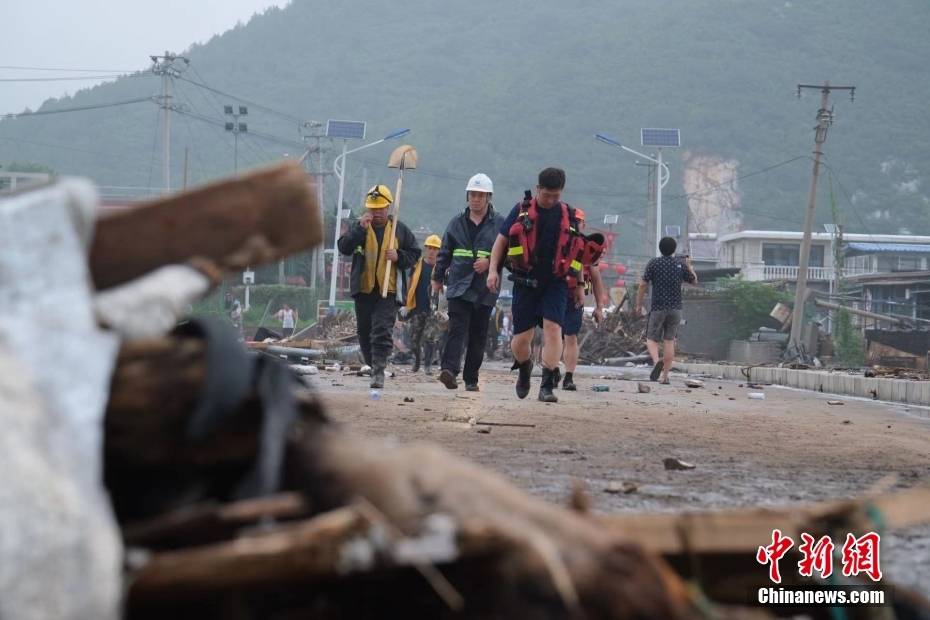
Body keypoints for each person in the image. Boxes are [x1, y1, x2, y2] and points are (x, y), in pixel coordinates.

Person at [487, 167, 586, 403]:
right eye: (547, 195)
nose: (551, 200)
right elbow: (501, 241)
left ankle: (547, 384)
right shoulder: (521, 210)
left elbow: (576, 252)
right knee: (521, 340)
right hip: (526, 280)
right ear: (538, 188)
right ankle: (524, 367)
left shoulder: (568, 215)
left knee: (554, 330)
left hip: (556, 281)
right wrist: (493, 270)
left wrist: (580, 285)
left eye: (556, 195)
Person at [337, 184, 420, 389]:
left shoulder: (399, 230)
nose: (376, 213)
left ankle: (379, 371)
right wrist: (359, 230)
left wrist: (398, 256)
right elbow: (344, 247)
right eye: (373, 208)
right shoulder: (360, 227)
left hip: (388, 291)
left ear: (389, 207)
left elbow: (414, 253)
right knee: (364, 331)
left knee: (381, 330)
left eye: (380, 208)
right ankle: (372, 364)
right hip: (364, 290)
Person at [432, 173, 503, 391]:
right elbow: (444, 252)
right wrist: (437, 278)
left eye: (481, 195)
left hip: (485, 288)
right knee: (457, 328)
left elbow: (509, 254)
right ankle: (449, 370)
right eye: (473, 194)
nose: (476, 199)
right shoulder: (456, 223)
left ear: (488, 197)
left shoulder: (499, 224)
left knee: (478, 334)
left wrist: (490, 262)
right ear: (467, 196)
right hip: (459, 285)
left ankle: (471, 377)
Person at [634, 236, 698, 384]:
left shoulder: (654, 263)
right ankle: (665, 377)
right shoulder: (680, 264)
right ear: (674, 249)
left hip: (658, 307)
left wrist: (638, 304)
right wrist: (690, 266)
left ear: (660, 248)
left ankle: (657, 361)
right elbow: (694, 281)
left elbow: (643, 285)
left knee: (651, 339)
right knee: (669, 341)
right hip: (676, 309)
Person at [559, 209, 606, 391]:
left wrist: (600, 306)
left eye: (578, 221)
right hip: (555, 294)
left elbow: (596, 279)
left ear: (584, 224)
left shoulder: (588, 248)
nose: (576, 224)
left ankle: (568, 376)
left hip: (575, 299)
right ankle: (552, 371)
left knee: (571, 337)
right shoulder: (559, 241)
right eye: (573, 221)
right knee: (553, 334)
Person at [405, 234, 442, 373]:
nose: (432, 251)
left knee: (430, 338)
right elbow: (410, 283)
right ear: (426, 249)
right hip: (417, 307)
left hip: (434, 309)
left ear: (439, 251)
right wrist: (406, 302)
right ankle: (417, 361)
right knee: (414, 339)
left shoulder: (441, 268)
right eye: (430, 248)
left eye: (435, 248)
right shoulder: (417, 265)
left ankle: (427, 366)